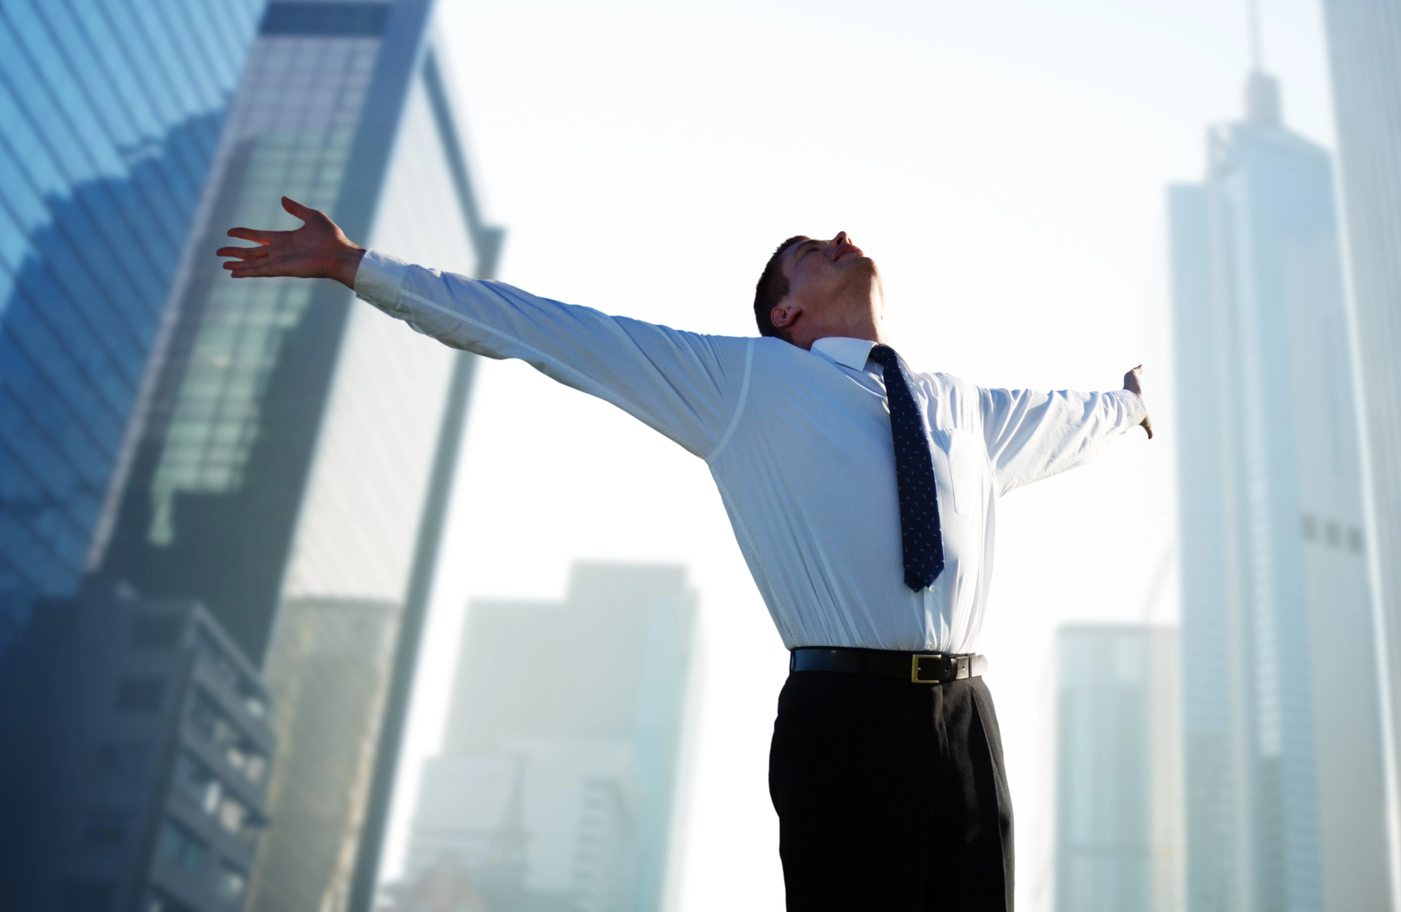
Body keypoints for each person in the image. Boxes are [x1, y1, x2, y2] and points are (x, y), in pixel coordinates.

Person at [219, 196, 1152, 912]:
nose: (836, 236)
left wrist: (1132, 406)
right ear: (784, 314)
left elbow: (1079, 418)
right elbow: (545, 329)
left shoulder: (964, 409)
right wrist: (359, 268)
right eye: (807, 252)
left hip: (967, 723)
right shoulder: (741, 383)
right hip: (845, 718)